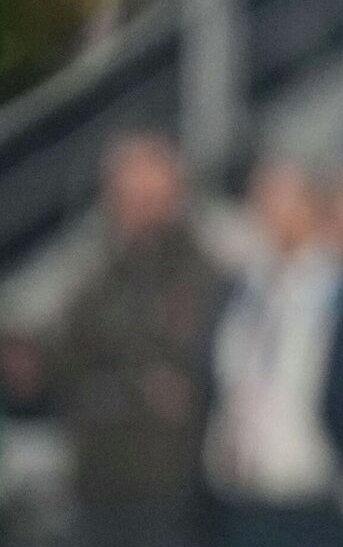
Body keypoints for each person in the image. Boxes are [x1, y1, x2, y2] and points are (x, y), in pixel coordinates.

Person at [203, 157, 343, 547]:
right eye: (261, 197)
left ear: (313, 204)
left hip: (321, 506)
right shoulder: (239, 293)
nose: (269, 209)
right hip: (243, 502)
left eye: (282, 196)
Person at [51, 132, 223, 547]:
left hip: (174, 490)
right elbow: (62, 361)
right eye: (128, 198)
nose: (140, 212)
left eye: (151, 199)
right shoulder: (94, 281)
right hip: (98, 484)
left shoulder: (209, 277)